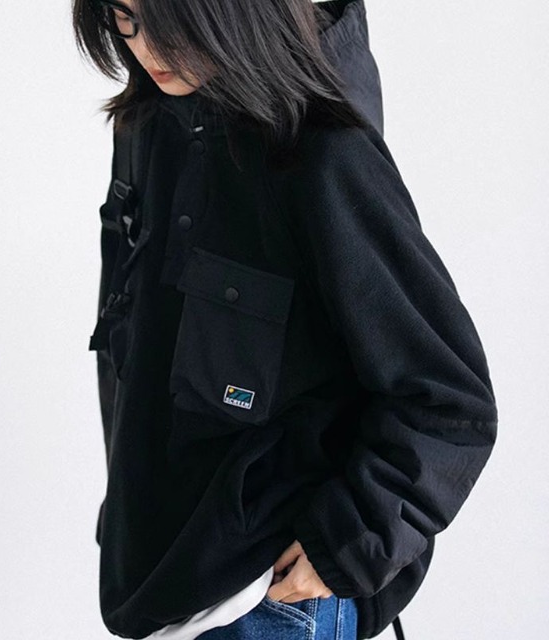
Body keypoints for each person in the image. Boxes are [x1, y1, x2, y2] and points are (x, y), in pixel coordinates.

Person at [72, 1, 498, 639]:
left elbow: (450, 401)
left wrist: (345, 544)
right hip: (163, 589)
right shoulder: (149, 128)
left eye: (164, 18)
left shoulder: (322, 152)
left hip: (273, 605)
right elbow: (133, 349)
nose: (145, 48)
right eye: (124, 18)